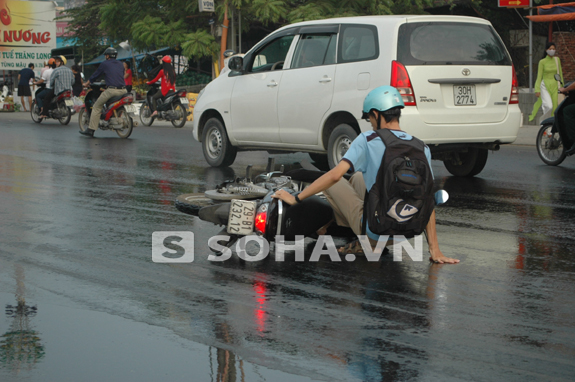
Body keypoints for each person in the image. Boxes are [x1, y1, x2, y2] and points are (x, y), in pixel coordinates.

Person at [272, 86, 459, 264]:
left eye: (370, 118)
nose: (370, 123)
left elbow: (334, 176)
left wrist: (296, 198)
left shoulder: (368, 140)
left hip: (376, 234)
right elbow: (427, 199)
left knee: (332, 181)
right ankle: (345, 227)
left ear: (376, 114)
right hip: (404, 234)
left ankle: (348, 233)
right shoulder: (421, 147)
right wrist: (435, 250)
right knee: (357, 178)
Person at [80, 47, 126, 137]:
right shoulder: (121, 64)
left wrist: (87, 83)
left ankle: (91, 130)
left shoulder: (105, 64)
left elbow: (95, 75)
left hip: (112, 91)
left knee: (97, 106)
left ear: (107, 56)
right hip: (124, 90)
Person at [529, 42, 564, 122]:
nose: (552, 50)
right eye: (550, 49)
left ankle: (549, 129)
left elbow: (560, 74)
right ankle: (544, 123)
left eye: (553, 49)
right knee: (549, 106)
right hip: (545, 86)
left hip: (555, 85)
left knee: (555, 107)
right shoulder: (542, 62)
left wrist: (563, 87)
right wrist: (537, 89)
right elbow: (539, 76)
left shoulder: (557, 60)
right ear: (546, 50)